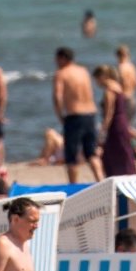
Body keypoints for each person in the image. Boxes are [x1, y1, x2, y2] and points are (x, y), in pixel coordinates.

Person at [52, 47, 103, 183]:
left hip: (74, 115)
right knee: (91, 153)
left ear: (62, 58)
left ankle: (73, 186)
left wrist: (60, 115)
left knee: (72, 157)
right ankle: (101, 181)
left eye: (57, 59)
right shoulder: (83, 71)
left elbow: (57, 96)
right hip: (90, 113)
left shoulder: (61, 74)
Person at [94, 65, 136, 177]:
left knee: (111, 155)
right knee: (124, 151)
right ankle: (129, 174)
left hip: (115, 125)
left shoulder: (109, 91)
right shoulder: (118, 87)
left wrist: (103, 131)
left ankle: (117, 178)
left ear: (102, 77)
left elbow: (109, 113)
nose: (97, 83)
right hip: (122, 121)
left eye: (96, 80)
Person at [0, 197, 41, 271]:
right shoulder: (2, 245)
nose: (36, 226)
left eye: (37, 221)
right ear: (15, 219)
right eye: (32, 221)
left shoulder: (24, 244)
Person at [115, 45, 136, 121]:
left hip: (124, 99)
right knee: (130, 125)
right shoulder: (132, 67)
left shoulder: (121, 67)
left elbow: (121, 83)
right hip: (133, 98)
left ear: (118, 56)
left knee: (123, 126)